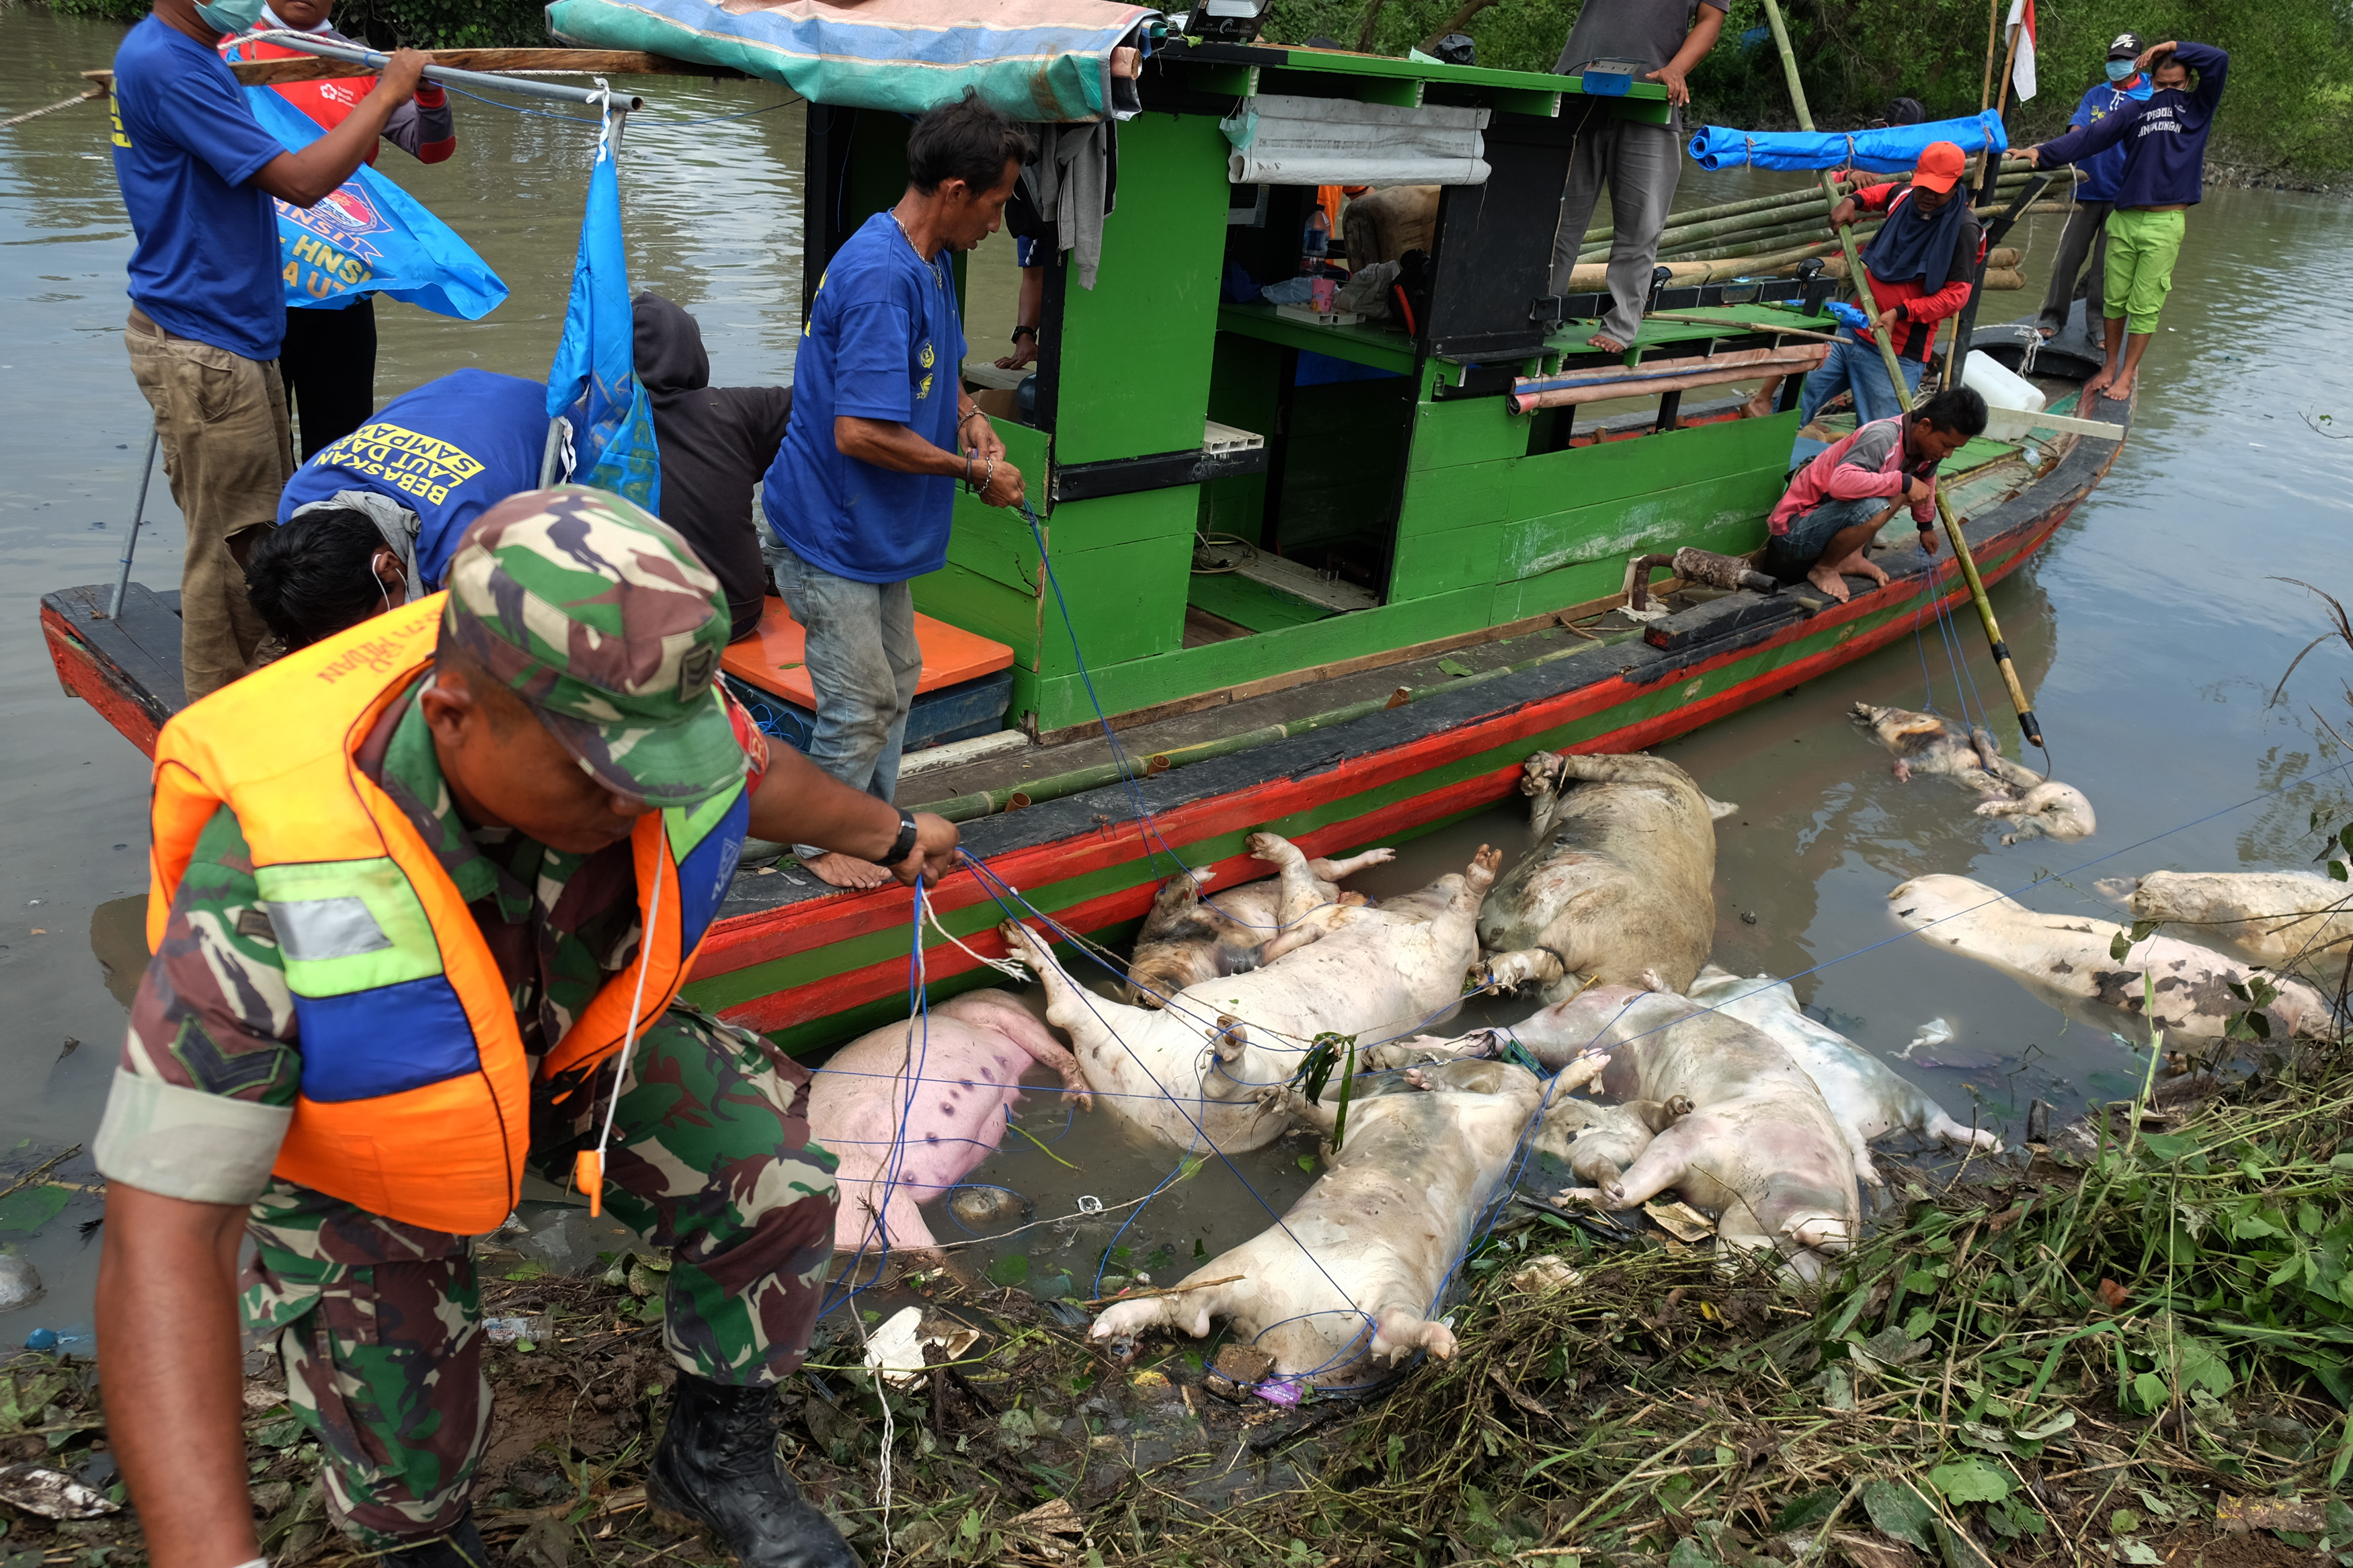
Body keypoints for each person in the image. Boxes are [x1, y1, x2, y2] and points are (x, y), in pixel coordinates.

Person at [97, 487, 959, 1568]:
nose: (643, 804)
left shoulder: (644, 703)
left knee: (775, 1179)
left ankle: (713, 1460)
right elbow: (166, 1235)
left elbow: (756, 777)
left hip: (561, 1050)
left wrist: (893, 835)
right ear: (455, 716)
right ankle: (423, 1538)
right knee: (408, 1438)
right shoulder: (268, 883)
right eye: (609, 780)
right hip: (366, 1134)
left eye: (668, 772)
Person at [109, 0, 426, 699]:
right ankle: (223, 717)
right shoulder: (172, 65)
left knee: (262, 536)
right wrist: (386, 93)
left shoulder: (181, 54)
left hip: (227, 335)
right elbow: (301, 182)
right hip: (205, 345)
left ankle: (265, 689)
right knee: (230, 556)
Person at [761, 91, 1030, 891]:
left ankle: (873, 824)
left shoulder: (930, 257)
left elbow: (933, 363)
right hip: (829, 526)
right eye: (995, 203)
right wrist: (974, 472)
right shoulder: (881, 277)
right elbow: (859, 433)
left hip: (872, 527)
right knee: (861, 700)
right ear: (954, 190)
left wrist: (967, 414)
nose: (998, 222)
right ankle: (817, 840)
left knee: (898, 676)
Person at [220, 0, 458, 458]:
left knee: (339, 445)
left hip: (339, 278)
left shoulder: (362, 63)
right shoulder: (223, 50)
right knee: (248, 450)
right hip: (248, 283)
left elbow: (433, 149)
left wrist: (429, 93)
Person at [2013, 40, 2227, 402]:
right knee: (2113, 299)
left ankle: (2127, 374)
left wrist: (2172, 46)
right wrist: (2040, 152)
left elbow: (2219, 60)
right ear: (2151, 82)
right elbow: (2089, 138)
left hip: (2164, 222)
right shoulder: (2136, 111)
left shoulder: (2197, 108)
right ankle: (2110, 366)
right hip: (2125, 216)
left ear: (2189, 82)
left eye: (2176, 85)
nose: (2169, 92)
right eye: (2161, 85)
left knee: (2145, 304)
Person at [263, 366, 547, 612]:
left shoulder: (463, 550)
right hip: (456, 394)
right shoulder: (298, 502)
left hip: (541, 412)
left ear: (388, 566)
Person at [1547, 0, 1728, 354]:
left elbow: (1710, 20)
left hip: (1650, 98)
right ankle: (1535, 314)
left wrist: (1676, 69)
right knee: (1554, 222)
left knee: (1641, 226)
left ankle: (1621, 324)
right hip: (1578, 89)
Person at [635, 293, 797, 641]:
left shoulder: (591, 428)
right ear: (693, 352)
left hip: (642, 626)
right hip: (736, 614)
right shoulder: (737, 409)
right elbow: (819, 400)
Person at [1795, 141, 1983, 430]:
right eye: (1924, 186)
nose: (1928, 196)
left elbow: (1957, 296)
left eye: (1938, 190)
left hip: (1897, 350)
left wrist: (1902, 312)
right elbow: (1884, 192)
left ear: (1956, 185)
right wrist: (1853, 201)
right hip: (1853, 328)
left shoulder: (1964, 230)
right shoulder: (1906, 198)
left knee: (1877, 434)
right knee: (1795, 399)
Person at [1764, 386, 1987, 602]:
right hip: (1793, 533)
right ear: (1925, 426)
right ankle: (1825, 568)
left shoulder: (1928, 451)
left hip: (1827, 523)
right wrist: (1903, 481)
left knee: (1904, 489)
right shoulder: (1883, 436)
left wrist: (1926, 527)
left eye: (1954, 448)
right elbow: (1840, 484)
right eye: (1946, 445)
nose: (1948, 454)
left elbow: (1925, 483)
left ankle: (1851, 557)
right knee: (1881, 501)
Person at [2032, 32, 2149, 341]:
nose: (2117, 64)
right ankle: (2052, 316)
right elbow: (2078, 128)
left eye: (2125, 60)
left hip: (2124, 194)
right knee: (2068, 257)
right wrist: (2064, 146)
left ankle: (2098, 325)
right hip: (2085, 188)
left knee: (2107, 266)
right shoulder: (2095, 94)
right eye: (2113, 59)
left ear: (2139, 62)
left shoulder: (2150, 96)